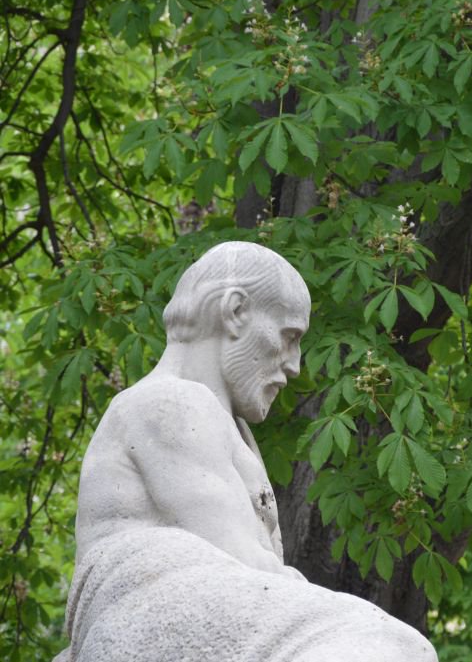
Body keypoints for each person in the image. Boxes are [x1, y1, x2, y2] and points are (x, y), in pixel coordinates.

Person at [58, 242, 437, 662]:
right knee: (383, 644)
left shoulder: (227, 426)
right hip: (148, 613)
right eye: (289, 336)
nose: (294, 365)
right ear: (236, 311)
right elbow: (239, 560)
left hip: (187, 616)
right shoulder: (171, 402)